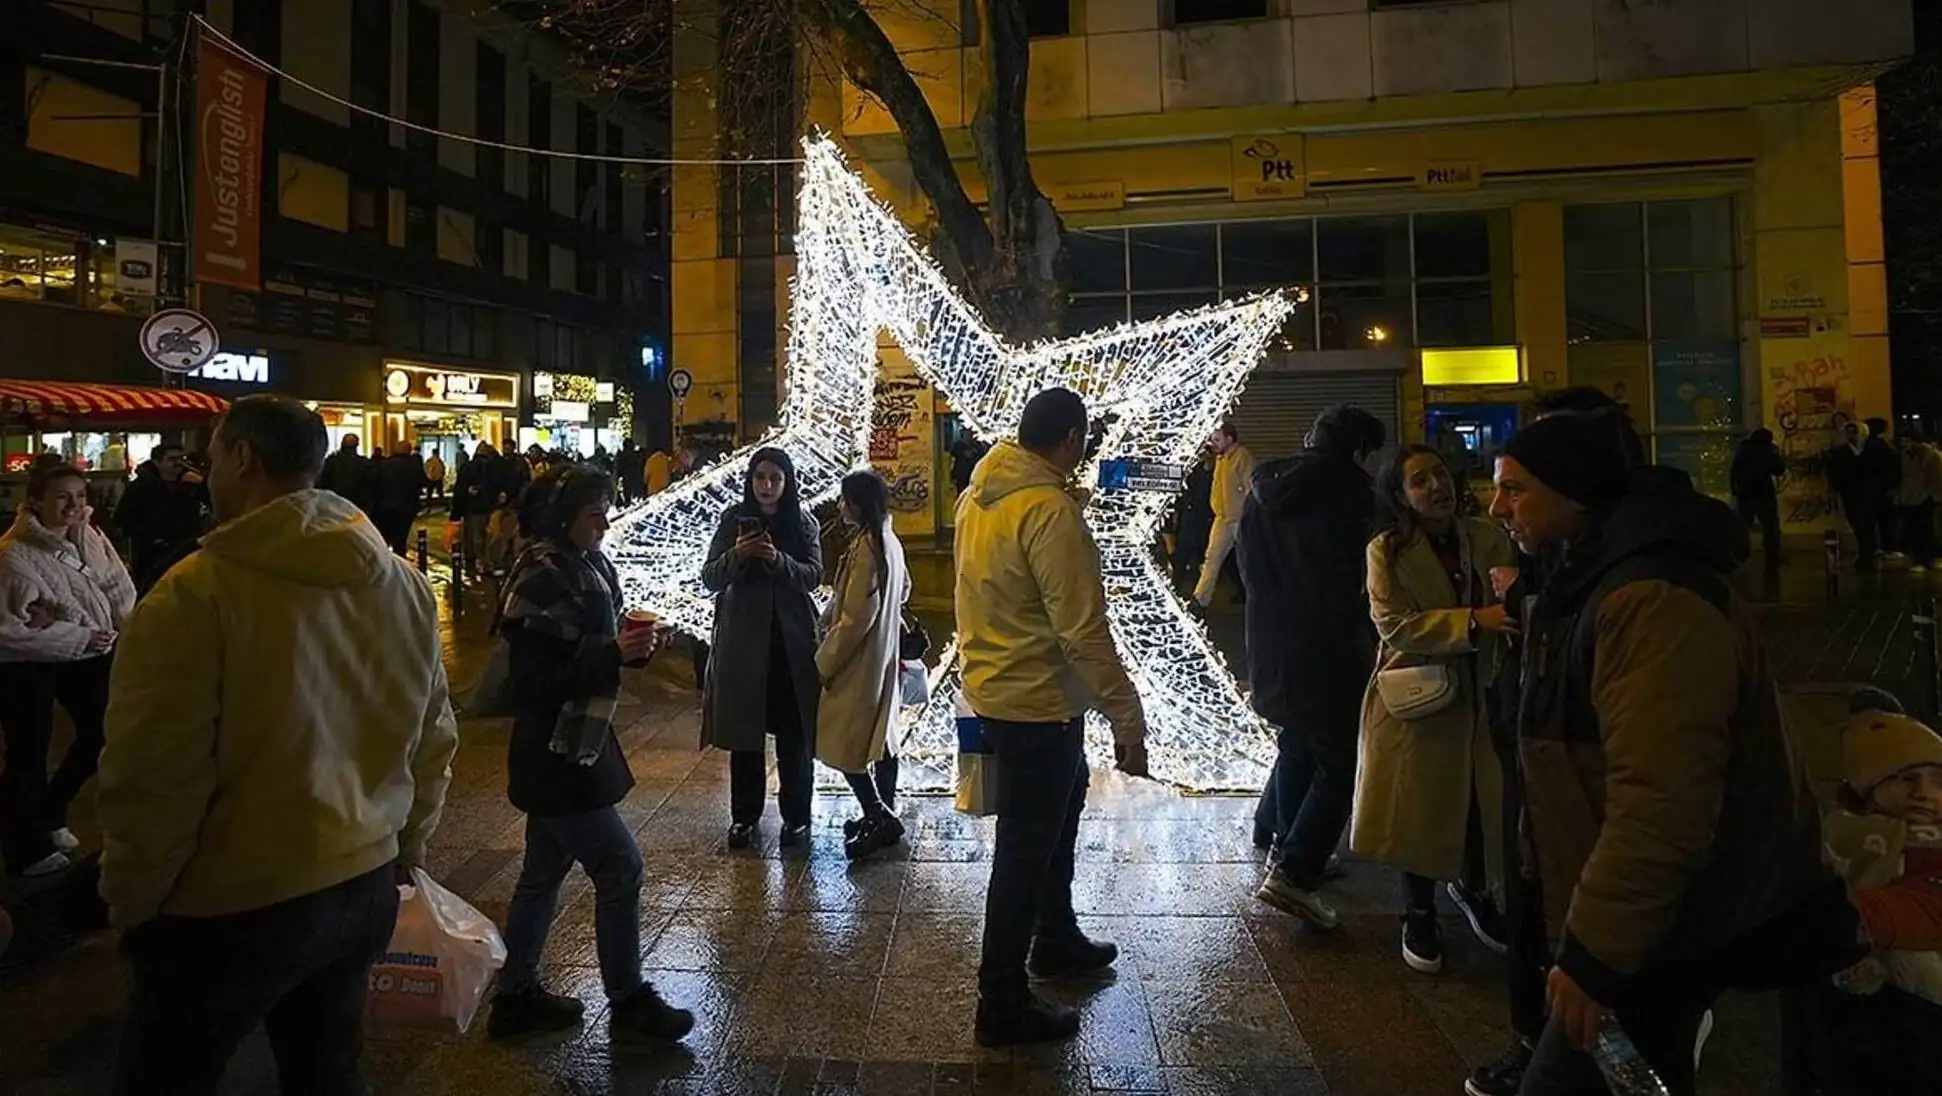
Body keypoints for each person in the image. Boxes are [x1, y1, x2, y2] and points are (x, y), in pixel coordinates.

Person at [1488, 409, 1860, 1096]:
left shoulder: (1649, 599)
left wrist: (1599, 949)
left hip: (1661, 923)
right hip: (1644, 919)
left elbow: (1663, 797)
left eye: (1515, 489)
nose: (1496, 506)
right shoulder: (1588, 575)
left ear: (1575, 492)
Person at [96, 395, 459, 1093]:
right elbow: (432, 734)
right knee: (327, 1070)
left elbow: (154, 773)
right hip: (363, 882)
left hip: (231, 900)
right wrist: (406, 848)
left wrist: (134, 898)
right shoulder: (400, 582)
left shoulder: (194, 595)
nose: (207, 477)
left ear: (242, 458)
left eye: (210, 460)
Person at [953, 387, 1148, 1047]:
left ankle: (1055, 936)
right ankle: (1001, 1002)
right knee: (1023, 851)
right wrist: (1129, 717)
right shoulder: (1046, 511)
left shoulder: (979, 499)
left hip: (1002, 692)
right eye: (1083, 441)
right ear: (1070, 439)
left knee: (1056, 817)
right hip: (1038, 704)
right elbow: (1082, 632)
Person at [486, 465, 694, 1045]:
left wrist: (640, 649)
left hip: (580, 742)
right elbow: (531, 682)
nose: (605, 522)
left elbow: (603, 652)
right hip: (554, 750)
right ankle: (628, 1002)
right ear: (562, 517)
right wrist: (611, 654)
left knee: (542, 872)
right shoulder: (540, 574)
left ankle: (516, 996)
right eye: (593, 513)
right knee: (620, 866)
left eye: (607, 509)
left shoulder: (591, 564)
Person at [1351, 445, 1513, 976]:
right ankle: (1418, 911)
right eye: (1420, 481)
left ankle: (1476, 890)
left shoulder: (1487, 536)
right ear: (1401, 495)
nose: (1436, 487)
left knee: (1477, 802)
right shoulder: (1387, 550)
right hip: (1419, 694)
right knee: (1416, 810)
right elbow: (1394, 624)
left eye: (1440, 475)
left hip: (1481, 693)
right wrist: (1473, 621)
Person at [1239, 404, 1386, 929]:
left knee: (1299, 737)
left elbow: (1247, 566)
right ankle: (1296, 870)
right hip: (1330, 645)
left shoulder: (1264, 489)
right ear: (1360, 450)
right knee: (1342, 761)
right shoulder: (1356, 497)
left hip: (1271, 638)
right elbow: (1361, 581)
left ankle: (1275, 830)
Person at [1791, 693, 1942, 1095]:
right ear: (1866, 789)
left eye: (1938, 780)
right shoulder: (1848, 836)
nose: (1925, 793)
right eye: (1906, 779)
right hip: (1872, 1003)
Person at [0, 464, 135, 877]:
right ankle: (25, 847)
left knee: (102, 731)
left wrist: (126, 630)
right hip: (28, 664)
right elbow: (8, 630)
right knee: (29, 751)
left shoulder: (88, 535)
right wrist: (76, 635)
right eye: (63, 496)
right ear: (35, 501)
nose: (75, 505)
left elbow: (117, 583)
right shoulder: (13, 555)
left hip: (90, 652)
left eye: (80, 496)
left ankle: (51, 812)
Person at [700, 447, 822, 850]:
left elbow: (813, 576)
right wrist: (740, 553)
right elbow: (710, 577)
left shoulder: (802, 522)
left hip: (791, 646)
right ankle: (745, 817)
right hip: (744, 645)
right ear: (750, 481)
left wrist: (778, 559)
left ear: (787, 483)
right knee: (745, 736)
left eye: (775, 478)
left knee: (794, 738)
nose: (767, 486)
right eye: (760, 478)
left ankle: (797, 818)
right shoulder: (733, 520)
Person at [815, 470, 912, 860]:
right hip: (881, 657)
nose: (841, 507)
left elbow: (856, 616)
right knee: (880, 739)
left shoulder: (868, 547)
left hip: (859, 662)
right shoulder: (888, 540)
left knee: (845, 743)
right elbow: (903, 590)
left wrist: (825, 658)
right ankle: (881, 813)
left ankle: (877, 814)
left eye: (845, 500)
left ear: (857, 504)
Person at [116, 443, 208, 594]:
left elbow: (213, 501)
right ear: (157, 462)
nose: (178, 463)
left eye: (181, 458)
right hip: (152, 555)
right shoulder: (141, 487)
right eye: (172, 459)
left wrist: (201, 484)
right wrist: (152, 537)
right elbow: (124, 518)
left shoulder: (190, 483)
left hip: (186, 549)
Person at [1193, 422, 1254, 609]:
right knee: (1212, 557)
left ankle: (1259, 598)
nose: (1213, 443)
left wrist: (1247, 513)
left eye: (1217, 439)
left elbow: (1250, 488)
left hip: (1239, 518)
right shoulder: (1221, 458)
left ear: (1230, 439)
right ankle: (1200, 598)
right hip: (1223, 517)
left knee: (1249, 560)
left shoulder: (1242, 457)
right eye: (1212, 439)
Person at [1826, 419, 1899, 566]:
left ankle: (1873, 549)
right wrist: (1836, 487)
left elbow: (1889, 469)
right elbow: (1834, 472)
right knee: (1857, 522)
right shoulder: (1841, 452)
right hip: (1851, 493)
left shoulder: (1874, 449)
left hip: (1872, 492)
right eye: (1848, 432)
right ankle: (1867, 549)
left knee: (1870, 521)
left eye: (1854, 432)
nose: (1851, 435)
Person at [1730, 427, 1787, 564]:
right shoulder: (1767, 450)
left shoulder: (1744, 449)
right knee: (1770, 525)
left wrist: (1734, 487)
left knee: (1743, 524)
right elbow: (1778, 470)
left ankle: (1738, 553)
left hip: (1745, 491)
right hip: (1763, 491)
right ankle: (1772, 553)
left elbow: (1734, 469)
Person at [1893, 432, 1942, 573]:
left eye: (1907, 441)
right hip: (1910, 498)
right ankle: (1921, 558)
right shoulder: (1904, 456)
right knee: (1914, 529)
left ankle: (1926, 559)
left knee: (1925, 530)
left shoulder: (1930, 456)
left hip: (1925, 498)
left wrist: (1933, 496)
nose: (1904, 444)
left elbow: (1937, 478)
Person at [453, 441, 502, 579]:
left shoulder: (468, 467)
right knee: (489, 536)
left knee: (474, 536)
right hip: (491, 506)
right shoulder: (493, 468)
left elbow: (459, 488)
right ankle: (484, 563)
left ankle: (472, 562)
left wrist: (456, 511)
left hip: (472, 506)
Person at [374, 448, 425, 556]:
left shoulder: (384, 465)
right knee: (401, 537)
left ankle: (384, 558)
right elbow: (422, 482)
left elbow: (375, 483)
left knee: (384, 535)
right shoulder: (413, 466)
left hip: (385, 504)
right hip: (406, 505)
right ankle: (399, 558)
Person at [316, 434, 377, 516]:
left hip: (334, 505)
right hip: (357, 507)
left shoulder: (331, 461)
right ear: (357, 445)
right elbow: (369, 487)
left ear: (342, 444)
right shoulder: (365, 464)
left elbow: (322, 484)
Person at [616, 438, 643, 505]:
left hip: (626, 480)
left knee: (627, 498)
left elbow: (619, 469)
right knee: (637, 500)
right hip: (636, 480)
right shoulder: (636, 456)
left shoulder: (622, 456)